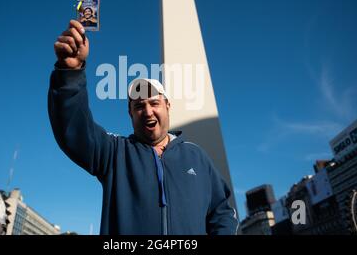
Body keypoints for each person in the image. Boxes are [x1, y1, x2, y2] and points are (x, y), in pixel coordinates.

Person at [48, 20, 239, 235]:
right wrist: (69, 72)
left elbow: (222, 212)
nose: (147, 112)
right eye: (139, 106)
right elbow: (73, 128)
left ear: (167, 106)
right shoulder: (114, 152)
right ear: (131, 114)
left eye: (154, 103)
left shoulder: (197, 157)